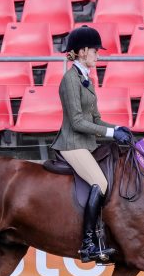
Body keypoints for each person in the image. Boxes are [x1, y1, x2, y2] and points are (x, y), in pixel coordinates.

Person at [51, 25, 133, 263]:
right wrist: (109, 132)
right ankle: (88, 243)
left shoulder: (87, 80)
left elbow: (95, 119)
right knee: (100, 182)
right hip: (72, 143)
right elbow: (76, 121)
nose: (98, 55)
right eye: (95, 51)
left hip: (87, 143)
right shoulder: (70, 80)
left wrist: (117, 129)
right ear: (83, 51)